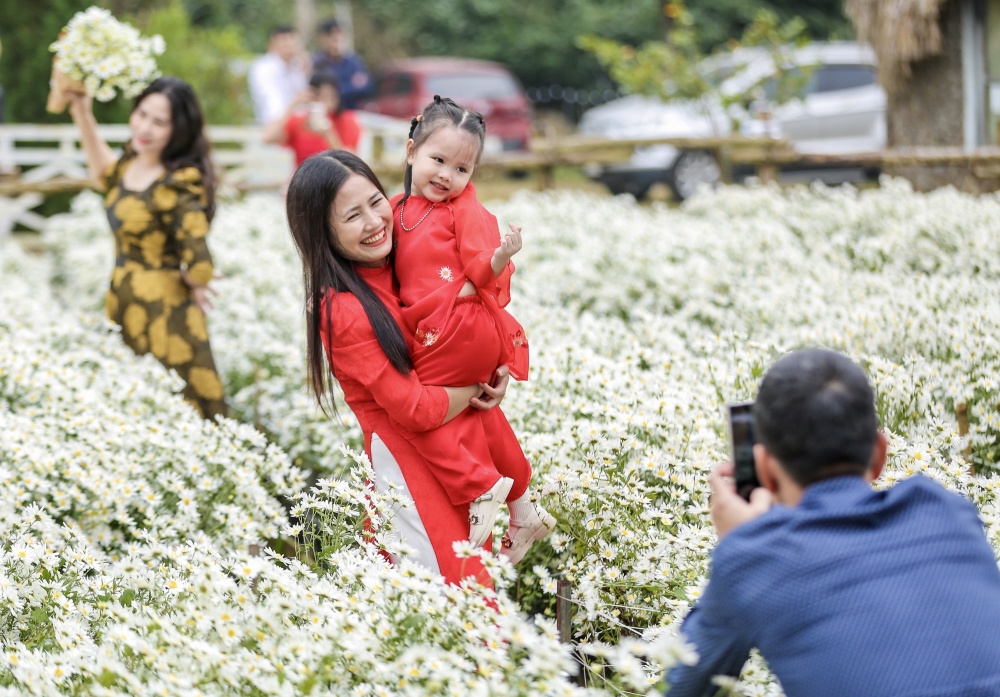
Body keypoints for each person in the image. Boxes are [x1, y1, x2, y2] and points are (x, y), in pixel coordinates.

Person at [666, 348, 1000, 697]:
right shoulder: (950, 510)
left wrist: (741, 543)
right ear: (879, 454)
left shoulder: (756, 556)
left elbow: (682, 687)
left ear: (764, 468)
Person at [285, 150, 511, 586]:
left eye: (376, 201)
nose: (374, 222)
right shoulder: (344, 309)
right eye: (353, 216)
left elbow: (462, 322)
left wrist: (496, 369)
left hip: (457, 462)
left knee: (472, 600)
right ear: (322, 234)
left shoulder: (403, 260)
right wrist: (475, 383)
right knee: (452, 604)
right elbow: (417, 409)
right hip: (409, 478)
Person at [391, 96, 554, 563]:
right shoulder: (396, 207)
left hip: (458, 325)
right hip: (439, 330)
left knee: (420, 408)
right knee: (476, 411)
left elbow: (484, 271)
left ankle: (480, 488)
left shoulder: (461, 209)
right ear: (411, 152)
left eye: (461, 169)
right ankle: (523, 507)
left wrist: (503, 254)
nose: (447, 176)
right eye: (437, 160)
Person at [65, 78, 228, 420]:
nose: (144, 127)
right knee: (130, 410)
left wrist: (188, 281)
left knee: (174, 412)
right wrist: (82, 111)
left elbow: (201, 267)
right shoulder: (132, 162)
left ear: (178, 129)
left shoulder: (178, 182)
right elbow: (105, 177)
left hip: (163, 315)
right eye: (141, 114)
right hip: (123, 298)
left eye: (159, 122)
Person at [262, 72, 361, 167]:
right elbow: (267, 138)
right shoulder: (301, 121)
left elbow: (352, 163)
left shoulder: (346, 119)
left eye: (332, 96)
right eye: (322, 96)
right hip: (304, 181)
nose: (328, 102)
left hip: (334, 181)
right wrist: (293, 105)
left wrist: (328, 135)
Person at [248, 26, 310, 125]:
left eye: (293, 42)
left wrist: (307, 69)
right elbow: (273, 110)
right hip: (272, 128)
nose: (290, 46)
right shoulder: (263, 68)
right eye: (285, 42)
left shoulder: (296, 67)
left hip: (296, 127)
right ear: (273, 44)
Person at [312, 18, 371, 110]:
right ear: (325, 39)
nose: (338, 42)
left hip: (351, 112)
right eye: (334, 38)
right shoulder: (317, 63)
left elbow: (365, 88)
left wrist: (337, 90)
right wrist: (350, 86)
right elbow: (317, 92)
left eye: (341, 37)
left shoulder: (354, 62)